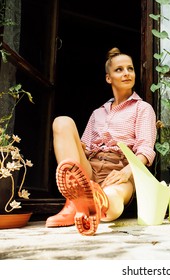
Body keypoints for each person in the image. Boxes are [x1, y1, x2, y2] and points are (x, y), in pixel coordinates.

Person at [45, 47, 157, 236]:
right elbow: (85, 149)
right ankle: (75, 199)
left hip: (120, 170)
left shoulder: (142, 108)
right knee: (62, 122)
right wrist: (77, 147)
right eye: (119, 70)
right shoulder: (97, 113)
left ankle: (94, 206)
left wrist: (126, 172)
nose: (127, 73)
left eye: (130, 68)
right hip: (89, 170)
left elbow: (146, 150)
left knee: (113, 197)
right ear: (108, 78)